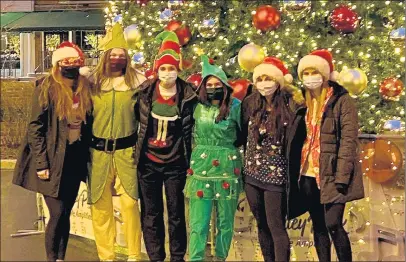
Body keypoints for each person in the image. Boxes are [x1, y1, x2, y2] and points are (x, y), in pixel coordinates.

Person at [13, 42, 92, 262]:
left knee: (65, 212)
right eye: (66, 62)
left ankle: (60, 257)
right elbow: (35, 127)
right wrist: (41, 163)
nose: (71, 65)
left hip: (74, 158)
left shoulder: (84, 88)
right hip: (51, 159)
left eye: (75, 61)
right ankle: (51, 258)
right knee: (56, 213)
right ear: (58, 64)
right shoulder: (46, 88)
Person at [133, 30, 197, 262]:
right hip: (148, 163)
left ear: (178, 70)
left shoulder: (188, 95)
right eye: (163, 68)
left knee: (176, 213)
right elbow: (136, 126)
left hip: (176, 164)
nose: (167, 73)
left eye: (171, 68)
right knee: (151, 214)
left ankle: (177, 257)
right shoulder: (144, 94)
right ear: (156, 70)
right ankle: (156, 257)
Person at [295, 49, 364, 262]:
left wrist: (342, 177)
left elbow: (348, 142)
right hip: (307, 174)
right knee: (318, 225)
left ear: (325, 74)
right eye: (305, 73)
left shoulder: (342, 101)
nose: (310, 77)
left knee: (333, 223)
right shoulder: (301, 102)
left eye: (314, 72)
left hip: (333, 173)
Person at [85, 23, 146, 261]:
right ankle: (106, 256)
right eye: (113, 54)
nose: (117, 58)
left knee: (130, 204)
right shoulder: (92, 83)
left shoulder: (137, 84)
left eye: (121, 55)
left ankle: (133, 255)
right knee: (100, 207)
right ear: (105, 57)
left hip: (126, 152)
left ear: (126, 58)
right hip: (97, 153)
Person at [241, 57, 304, 262]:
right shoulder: (250, 103)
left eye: (268, 78)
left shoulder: (290, 105)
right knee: (261, 223)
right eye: (260, 78)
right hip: (252, 175)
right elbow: (244, 132)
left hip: (276, 178)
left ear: (278, 81)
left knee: (276, 226)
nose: (264, 83)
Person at [184, 55, 243, 261]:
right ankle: (196, 258)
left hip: (227, 166)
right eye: (208, 84)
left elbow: (242, 135)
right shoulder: (196, 106)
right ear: (202, 86)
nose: (212, 88)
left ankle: (221, 257)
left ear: (225, 85)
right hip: (201, 166)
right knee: (198, 222)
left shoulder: (236, 107)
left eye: (217, 84)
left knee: (225, 222)